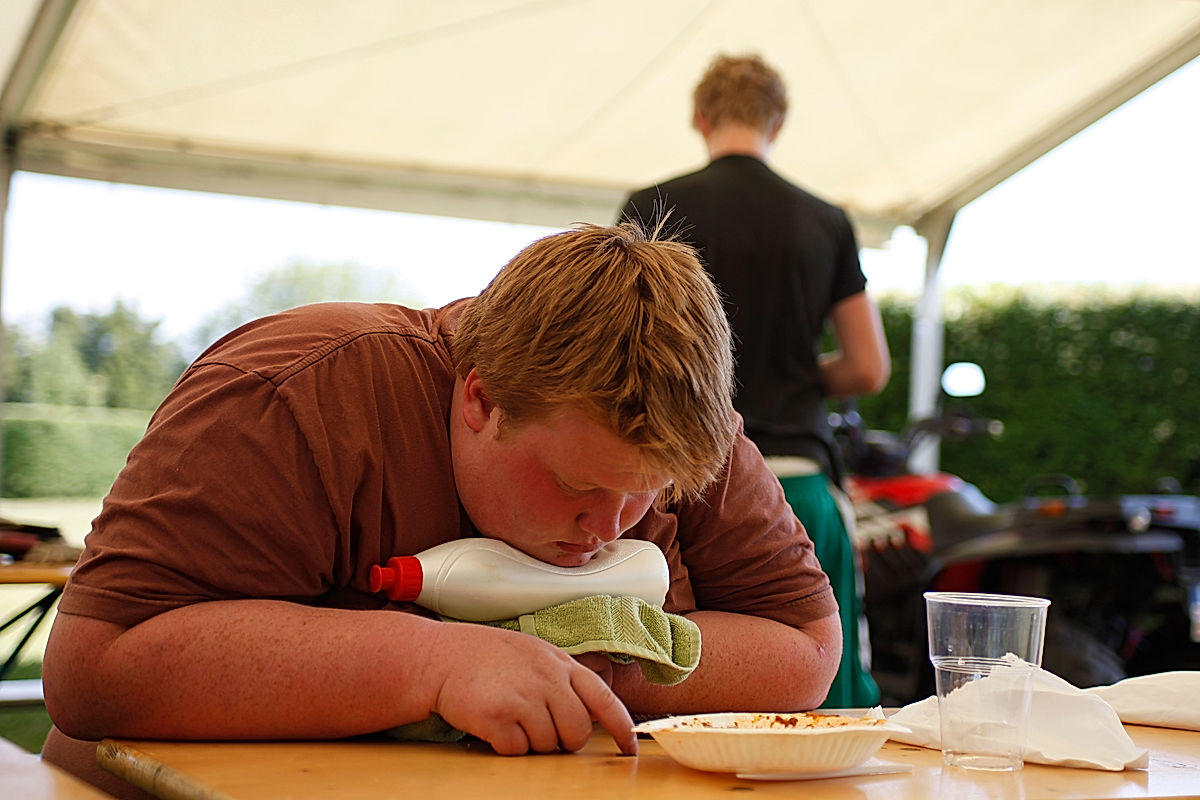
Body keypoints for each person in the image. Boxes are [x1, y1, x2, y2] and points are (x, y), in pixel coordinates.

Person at [40, 222, 841, 797]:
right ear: (480, 399)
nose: (614, 526)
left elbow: (807, 649)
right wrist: (434, 664)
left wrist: (583, 657)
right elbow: (93, 668)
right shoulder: (292, 394)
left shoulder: (682, 427)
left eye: (649, 493)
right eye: (575, 486)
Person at [620, 53, 891, 708]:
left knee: (676, 689)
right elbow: (868, 366)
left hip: (675, 486)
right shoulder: (825, 220)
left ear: (700, 117)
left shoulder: (654, 206)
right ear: (779, 122)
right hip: (796, 481)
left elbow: (614, 345)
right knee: (821, 701)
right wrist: (794, 372)